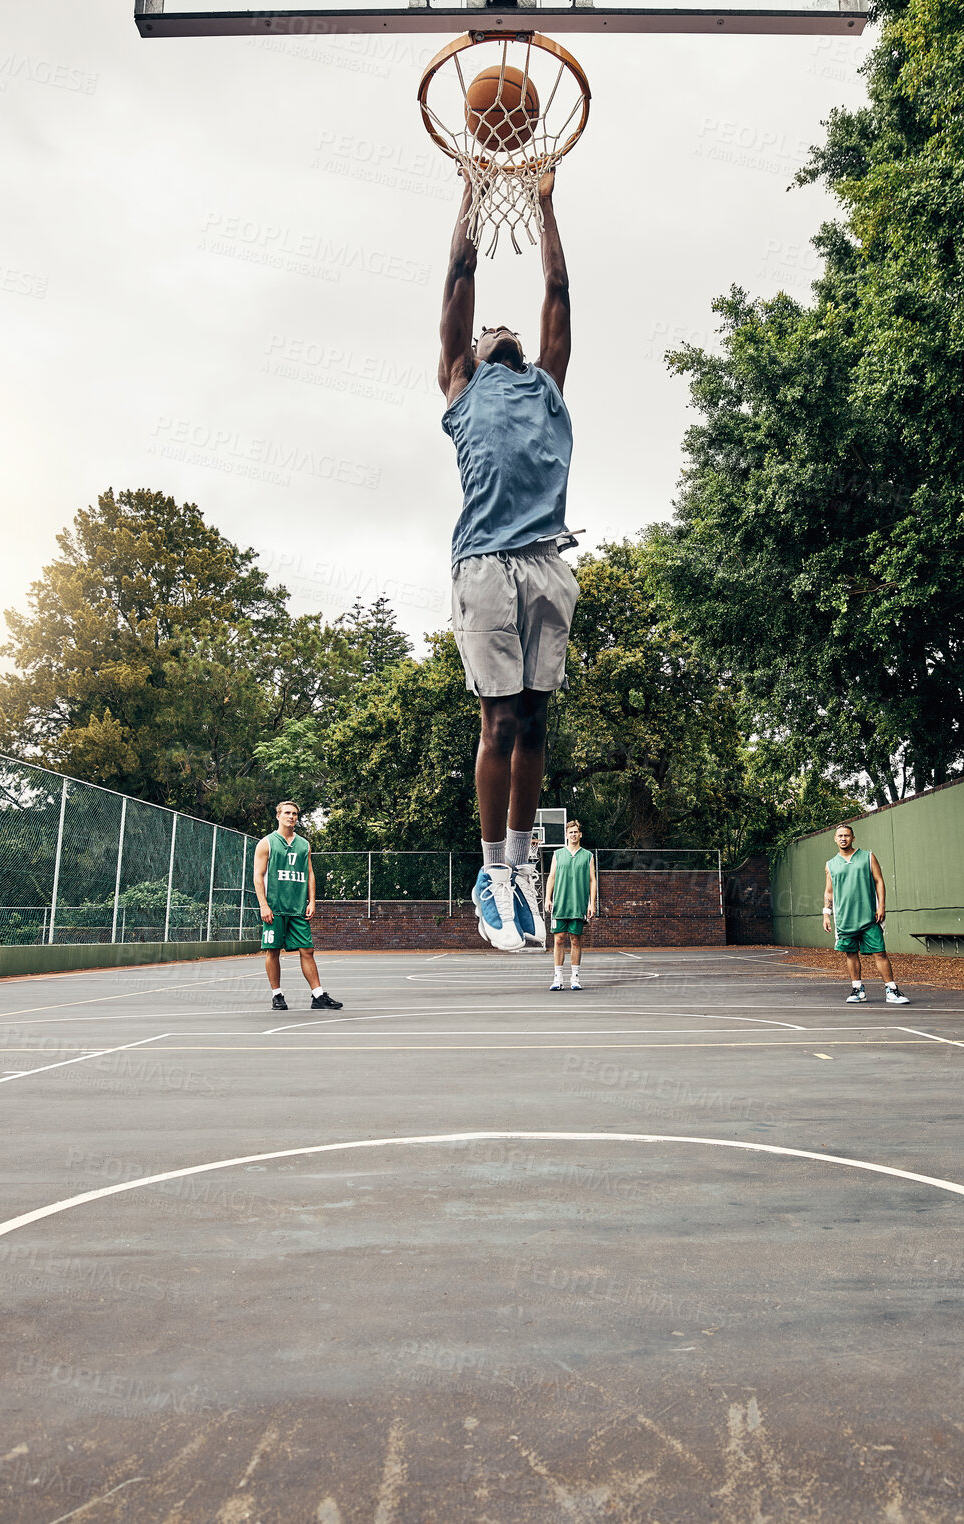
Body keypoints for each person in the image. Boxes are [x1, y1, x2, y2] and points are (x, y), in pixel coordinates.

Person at [438, 167, 580, 953]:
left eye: (507, 328)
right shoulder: (462, 383)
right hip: (486, 562)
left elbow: (557, 287)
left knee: (534, 721)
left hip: (546, 561)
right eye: (487, 328)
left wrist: (547, 202)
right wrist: (472, 190)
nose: (501, 328)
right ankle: (491, 874)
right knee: (496, 721)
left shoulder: (547, 383)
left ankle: (522, 866)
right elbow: (460, 279)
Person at [253, 800, 343, 1012]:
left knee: (308, 950)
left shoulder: (304, 844)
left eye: (294, 813)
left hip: (297, 908)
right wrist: (263, 905)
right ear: (278, 816)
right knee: (272, 951)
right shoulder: (266, 843)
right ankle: (277, 995)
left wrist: (312, 901)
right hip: (274, 908)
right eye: (287, 813)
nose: (291, 816)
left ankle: (318, 995)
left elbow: (310, 873)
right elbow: (257, 876)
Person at [822, 823, 909, 1004]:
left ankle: (892, 990)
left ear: (853, 838)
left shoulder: (868, 857)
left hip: (869, 916)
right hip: (845, 918)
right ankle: (857, 990)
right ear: (835, 839)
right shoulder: (830, 865)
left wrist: (881, 906)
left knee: (880, 953)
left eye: (847, 835)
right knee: (851, 953)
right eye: (840, 836)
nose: (843, 838)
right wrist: (826, 914)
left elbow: (879, 881)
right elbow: (829, 891)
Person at [545, 818, 596, 990]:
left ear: (580, 834)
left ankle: (575, 977)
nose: (573, 834)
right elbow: (551, 877)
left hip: (578, 904)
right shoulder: (558, 854)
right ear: (566, 835)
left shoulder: (588, 856)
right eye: (570, 832)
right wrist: (548, 898)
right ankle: (558, 979)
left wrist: (592, 903)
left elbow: (592, 880)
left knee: (575, 940)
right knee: (558, 940)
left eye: (576, 832)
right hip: (560, 903)